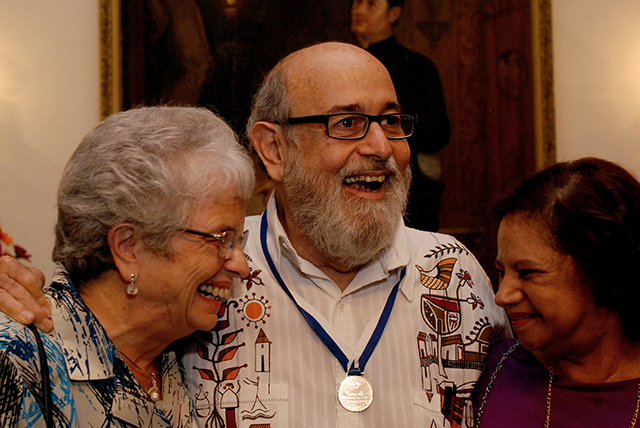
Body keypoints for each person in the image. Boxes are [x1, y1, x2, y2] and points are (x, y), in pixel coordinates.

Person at [1, 42, 508, 428]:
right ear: (273, 149)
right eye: (348, 123)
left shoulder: (456, 276)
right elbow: (94, 308)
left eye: (392, 121)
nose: (382, 146)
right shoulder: (203, 285)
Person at [0, 106, 254, 427]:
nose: (242, 266)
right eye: (220, 238)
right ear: (128, 247)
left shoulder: (180, 357)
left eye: (238, 241)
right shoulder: (18, 359)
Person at [472, 157, 640, 427]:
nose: (502, 296)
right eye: (502, 272)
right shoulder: (491, 369)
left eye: (527, 273)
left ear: (602, 271)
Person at [351, 0, 451, 231]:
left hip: (410, 188)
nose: (359, 10)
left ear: (394, 13)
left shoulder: (417, 67)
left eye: (371, 4)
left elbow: (436, 133)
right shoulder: (343, 65)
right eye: (356, 3)